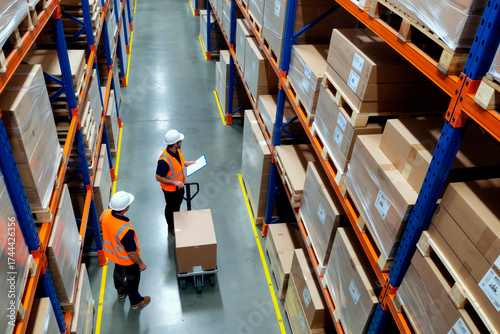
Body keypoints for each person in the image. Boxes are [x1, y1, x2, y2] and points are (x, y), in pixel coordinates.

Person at [100, 191, 151, 310]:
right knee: (132, 280)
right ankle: (135, 302)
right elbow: (132, 253)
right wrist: (141, 264)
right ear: (125, 208)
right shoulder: (125, 230)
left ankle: (121, 292)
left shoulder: (105, 213)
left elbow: (102, 224)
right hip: (128, 260)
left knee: (118, 273)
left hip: (114, 255)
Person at [156, 129, 194, 235]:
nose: (181, 142)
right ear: (174, 144)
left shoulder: (176, 151)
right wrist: (174, 183)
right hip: (171, 191)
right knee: (171, 208)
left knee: (177, 206)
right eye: (179, 141)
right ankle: (171, 227)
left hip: (179, 187)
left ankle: (175, 219)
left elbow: (177, 163)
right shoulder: (164, 161)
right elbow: (158, 177)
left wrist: (186, 163)